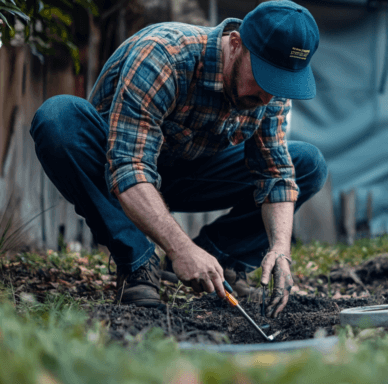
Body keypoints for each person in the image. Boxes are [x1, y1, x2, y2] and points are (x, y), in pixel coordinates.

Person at [29, 0, 326, 318]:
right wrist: (180, 246)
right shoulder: (163, 54)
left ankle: (218, 258)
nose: (269, 96)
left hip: (190, 173)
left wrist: (281, 249)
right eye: (265, 78)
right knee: (57, 118)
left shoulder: (270, 92)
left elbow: (275, 174)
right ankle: (137, 261)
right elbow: (129, 165)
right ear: (236, 44)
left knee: (307, 164)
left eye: (280, 84)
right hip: (117, 169)